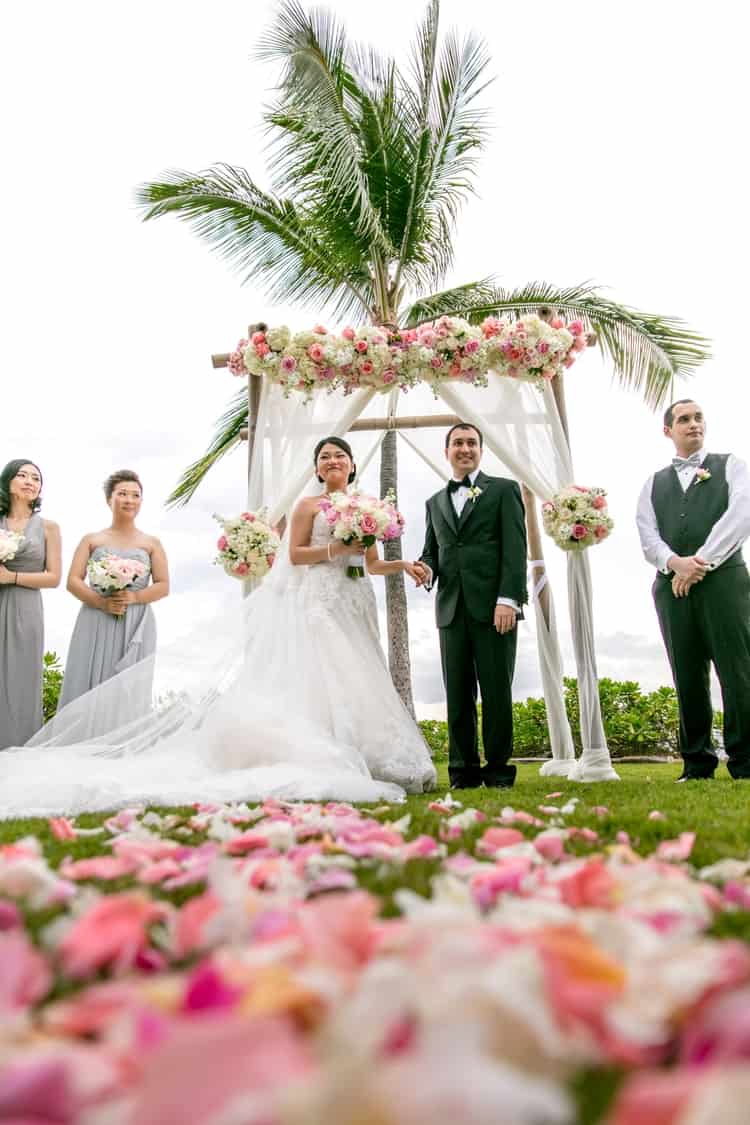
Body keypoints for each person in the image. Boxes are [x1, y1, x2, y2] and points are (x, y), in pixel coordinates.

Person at [0, 438, 436, 816]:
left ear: (352, 464)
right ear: (317, 468)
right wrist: (335, 548)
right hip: (319, 602)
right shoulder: (306, 506)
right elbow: (296, 557)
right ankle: (328, 750)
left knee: (360, 676)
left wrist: (403, 564)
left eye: (339, 456)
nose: (332, 462)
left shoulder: (368, 509)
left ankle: (369, 753)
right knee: (323, 676)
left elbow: (373, 563)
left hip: (353, 601)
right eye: (324, 457)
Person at [636, 399, 750, 781]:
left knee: (737, 670)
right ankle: (697, 761)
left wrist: (699, 562)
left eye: (699, 417)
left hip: (725, 583)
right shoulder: (653, 483)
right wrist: (675, 564)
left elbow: (742, 513)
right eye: (684, 419)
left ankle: (745, 760)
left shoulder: (731, 465)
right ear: (668, 431)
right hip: (673, 587)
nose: (693, 424)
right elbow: (647, 535)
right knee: (686, 673)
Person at [415, 423, 528, 789]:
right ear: (446, 451)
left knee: (497, 692)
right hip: (451, 610)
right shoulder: (434, 502)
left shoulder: (505, 490)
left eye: (472, 443)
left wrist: (508, 599)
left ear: (481, 449)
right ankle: (462, 772)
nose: (465, 449)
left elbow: (515, 549)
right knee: (458, 695)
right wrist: (425, 569)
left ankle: (498, 772)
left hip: (495, 608)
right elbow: (432, 551)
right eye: (458, 443)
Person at [57, 470, 169, 710]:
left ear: (141, 501)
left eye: (135, 495)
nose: (129, 500)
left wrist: (135, 596)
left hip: (135, 621)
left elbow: (163, 585)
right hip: (95, 617)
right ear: (109, 499)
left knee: (128, 689)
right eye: (123, 494)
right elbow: (73, 581)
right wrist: (101, 602)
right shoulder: (92, 539)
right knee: (88, 677)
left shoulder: (152, 543)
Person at [0, 460, 61, 750]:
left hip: (26, 609)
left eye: (36, 477)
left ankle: (18, 750)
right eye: (22, 475)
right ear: (8, 482)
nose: (29, 481)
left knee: (22, 681)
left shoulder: (49, 527)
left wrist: (11, 576)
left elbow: (53, 577)